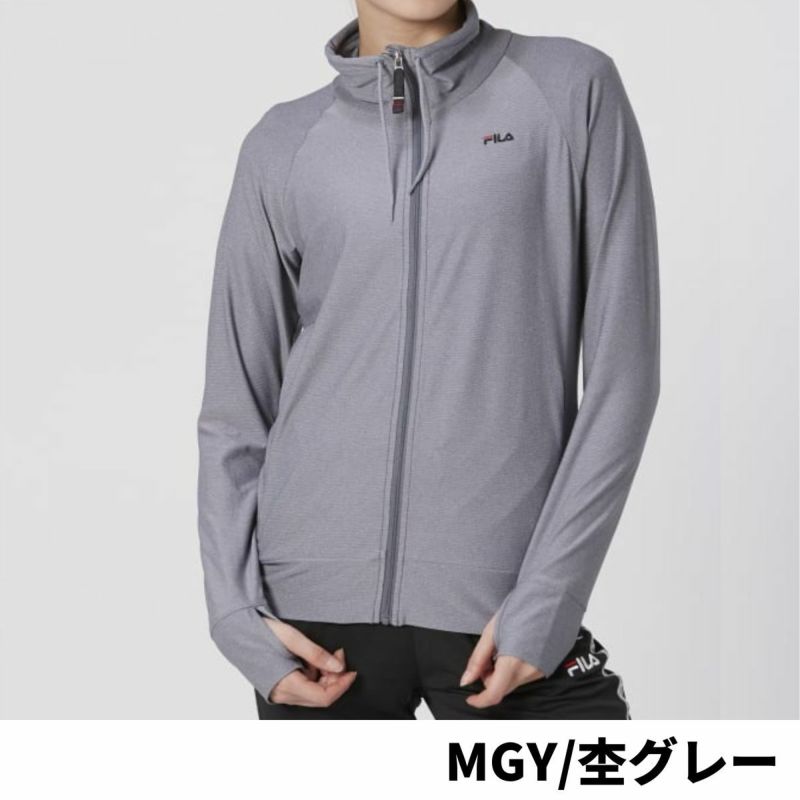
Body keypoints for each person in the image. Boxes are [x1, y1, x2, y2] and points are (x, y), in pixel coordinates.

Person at [196, 0, 660, 720]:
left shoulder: (567, 87)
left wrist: (550, 595)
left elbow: (623, 375)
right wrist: (234, 611)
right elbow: (237, 407)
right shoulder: (283, 142)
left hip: (504, 606)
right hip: (312, 622)